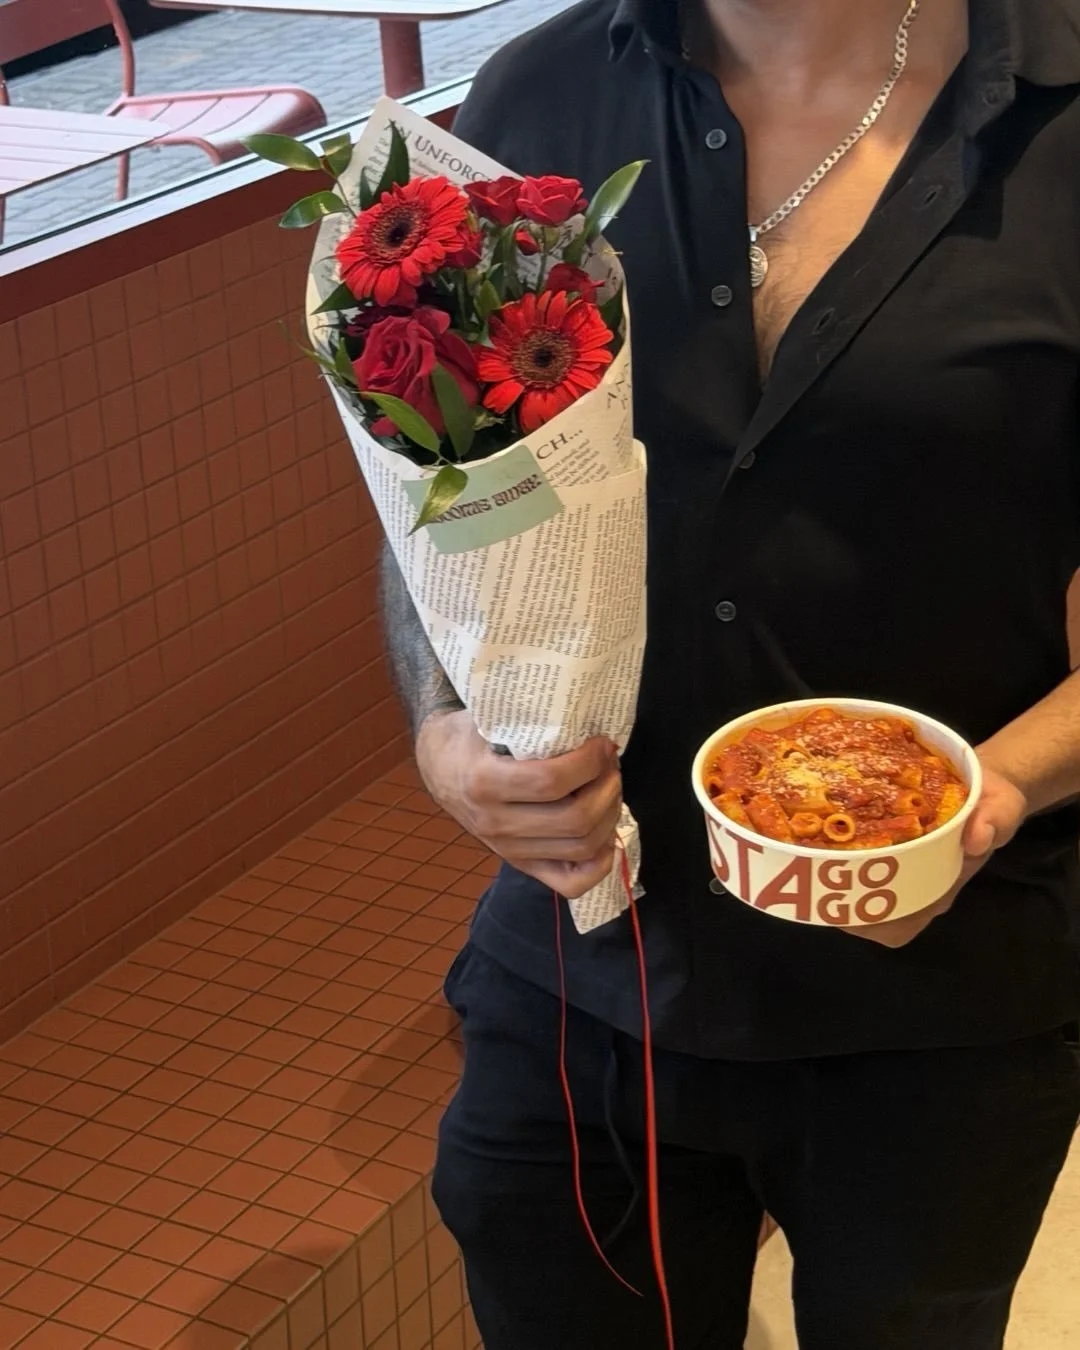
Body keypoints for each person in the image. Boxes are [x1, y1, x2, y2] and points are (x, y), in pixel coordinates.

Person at [379, 0, 1080, 1345]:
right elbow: (437, 500)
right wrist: (441, 727)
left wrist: (985, 794)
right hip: (588, 970)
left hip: (942, 1009)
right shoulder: (539, 98)